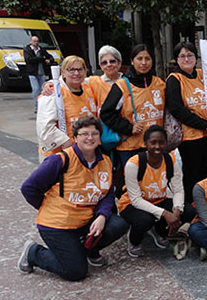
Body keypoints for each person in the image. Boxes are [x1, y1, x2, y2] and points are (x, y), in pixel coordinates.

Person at [18, 116, 128, 281]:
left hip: (84, 220)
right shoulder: (60, 160)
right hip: (57, 225)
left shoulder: (105, 161)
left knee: (119, 224)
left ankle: (86, 250)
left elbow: (107, 194)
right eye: (84, 134)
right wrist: (46, 206)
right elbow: (28, 188)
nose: (89, 138)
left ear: (100, 138)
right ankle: (34, 252)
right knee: (76, 272)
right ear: (75, 138)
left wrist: (102, 216)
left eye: (94, 134)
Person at [117, 125, 195, 257]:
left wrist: (176, 212)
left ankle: (160, 231)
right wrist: (165, 213)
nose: (157, 147)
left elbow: (178, 190)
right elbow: (136, 200)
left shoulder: (170, 160)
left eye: (161, 142)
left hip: (158, 200)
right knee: (144, 220)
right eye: (153, 142)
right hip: (131, 205)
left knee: (188, 211)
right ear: (145, 144)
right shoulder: (134, 164)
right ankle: (134, 241)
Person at [100, 44, 165, 184]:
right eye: (139, 58)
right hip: (131, 147)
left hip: (155, 147)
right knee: (134, 187)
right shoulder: (122, 86)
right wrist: (129, 128)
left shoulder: (159, 83)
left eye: (147, 58)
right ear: (132, 61)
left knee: (154, 184)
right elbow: (106, 114)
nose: (143, 63)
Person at [166, 42, 207, 204]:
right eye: (182, 56)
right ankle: (190, 209)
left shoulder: (202, 74)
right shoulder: (174, 79)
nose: (187, 59)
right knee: (193, 175)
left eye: (190, 55)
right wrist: (202, 124)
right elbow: (177, 109)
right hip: (190, 137)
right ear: (176, 59)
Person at [37, 55, 97, 158]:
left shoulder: (89, 88)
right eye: (71, 70)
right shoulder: (52, 93)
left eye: (80, 69)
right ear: (63, 72)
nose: (76, 73)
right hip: (59, 155)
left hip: (86, 152)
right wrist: (66, 143)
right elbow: (45, 127)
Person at [23, 35, 53, 112]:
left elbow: (50, 57)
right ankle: (37, 106)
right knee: (36, 89)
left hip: (42, 72)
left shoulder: (41, 50)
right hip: (32, 73)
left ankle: (42, 105)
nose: (36, 43)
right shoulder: (27, 50)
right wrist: (42, 58)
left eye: (37, 41)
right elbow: (29, 60)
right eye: (34, 41)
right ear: (31, 42)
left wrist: (49, 60)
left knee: (42, 90)